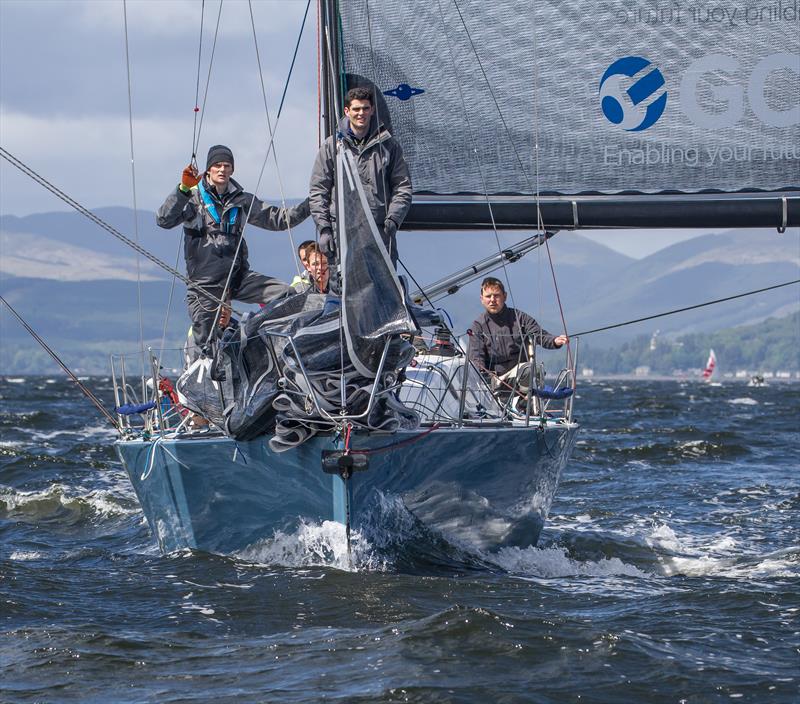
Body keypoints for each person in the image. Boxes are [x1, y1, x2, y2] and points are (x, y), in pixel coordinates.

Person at [157, 144, 310, 347]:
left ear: (232, 170)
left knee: (287, 295)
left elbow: (279, 220)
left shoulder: (241, 200)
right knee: (206, 340)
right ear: (208, 169)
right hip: (205, 283)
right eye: (217, 165)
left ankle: (266, 343)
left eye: (227, 166)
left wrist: (313, 202)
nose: (222, 170)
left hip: (237, 276)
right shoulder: (193, 199)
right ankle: (210, 369)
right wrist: (183, 189)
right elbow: (164, 220)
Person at [309, 87, 412, 266]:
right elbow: (318, 190)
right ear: (347, 111)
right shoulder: (332, 146)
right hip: (341, 233)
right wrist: (324, 228)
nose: (361, 113)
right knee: (342, 289)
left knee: (383, 289)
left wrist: (394, 219)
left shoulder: (389, 146)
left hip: (379, 231)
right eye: (356, 109)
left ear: (372, 110)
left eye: (365, 108)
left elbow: (403, 186)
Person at [468, 277, 568, 381]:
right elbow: (476, 358)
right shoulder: (478, 325)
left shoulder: (520, 318)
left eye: (496, 295)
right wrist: (483, 378)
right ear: (482, 299)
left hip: (521, 376)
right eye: (488, 296)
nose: (492, 300)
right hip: (493, 381)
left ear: (505, 296)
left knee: (532, 371)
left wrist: (554, 341)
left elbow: (538, 335)